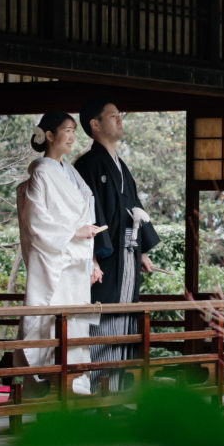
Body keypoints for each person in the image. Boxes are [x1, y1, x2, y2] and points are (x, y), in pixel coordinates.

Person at [16, 111, 107, 396]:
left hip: (76, 261)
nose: (71, 135)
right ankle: (50, 387)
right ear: (49, 135)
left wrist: (91, 258)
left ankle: (76, 385)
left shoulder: (69, 171)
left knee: (75, 324)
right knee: (53, 320)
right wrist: (72, 233)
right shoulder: (42, 171)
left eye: (73, 130)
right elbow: (36, 221)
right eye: (66, 130)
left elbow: (83, 214)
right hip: (55, 260)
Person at [73, 99, 161, 389]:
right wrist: (98, 253)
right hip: (105, 257)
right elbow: (88, 213)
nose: (119, 120)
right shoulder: (86, 164)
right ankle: (97, 391)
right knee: (103, 318)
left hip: (127, 256)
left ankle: (117, 392)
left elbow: (134, 206)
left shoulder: (121, 165)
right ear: (95, 125)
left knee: (125, 319)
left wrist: (141, 251)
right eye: (113, 116)